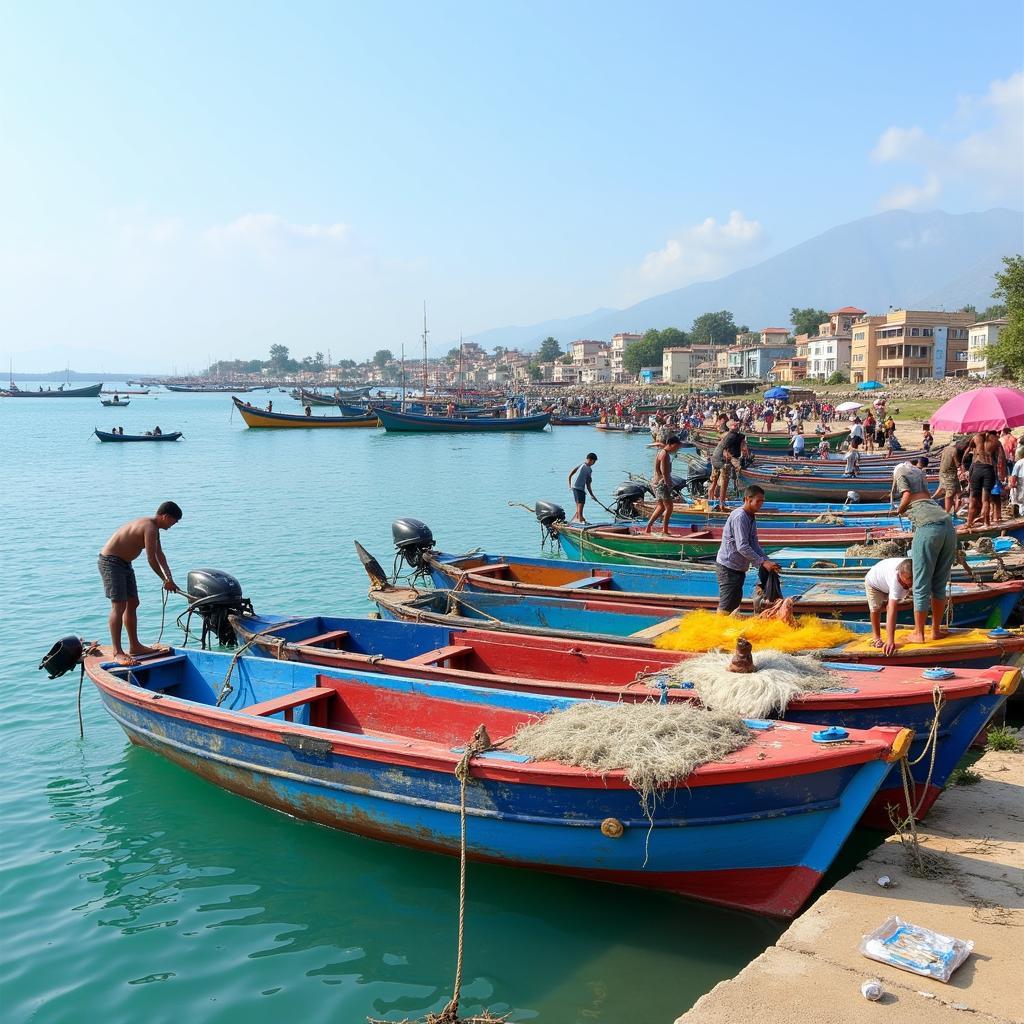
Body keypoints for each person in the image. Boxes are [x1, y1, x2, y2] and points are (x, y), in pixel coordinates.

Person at [98, 502, 183, 666]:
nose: (174, 525)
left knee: (133, 603)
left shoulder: (154, 529)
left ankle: (135, 646)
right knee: (119, 605)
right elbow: (151, 559)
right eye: (174, 521)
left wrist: (170, 578)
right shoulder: (149, 527)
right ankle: (117, 651)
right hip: (111, 562)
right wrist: (165, 581)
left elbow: (160, 555)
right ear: (165, 517)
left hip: (124, 563)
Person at [893, 457, 957, 645]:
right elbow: (926, 496)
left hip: (928, 529)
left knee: (920, 582)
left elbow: (905, 496)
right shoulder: (920, 477)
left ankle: (919, 634)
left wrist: (898, 510)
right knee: (939, 583)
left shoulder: (901, 475)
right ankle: (935, 631)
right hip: (947, 526)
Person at [715, 485, 781, 614]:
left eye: (762, 501)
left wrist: (767, 561)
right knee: (726, 606)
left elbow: (754, 544)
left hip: (739, 567)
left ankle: (727, 629)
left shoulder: (751, 516)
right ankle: (718, 630)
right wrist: (762, 562)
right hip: (729, 566)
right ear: (747, 499)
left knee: (734, 603)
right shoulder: (740, 517)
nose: (760, 504)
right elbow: (743, 546)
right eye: (758, 501)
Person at [864, 557, 914, 656]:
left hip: (886, 582)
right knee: (875, 608)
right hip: (874, 583)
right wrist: (890, 640)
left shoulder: (912, 567)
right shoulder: (894, 580)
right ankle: (876, 636)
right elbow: (892, 610)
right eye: (905, 582)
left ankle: (888, 605)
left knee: (891, 604)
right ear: (900, 575)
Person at [643, 436, 684, 534]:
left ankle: (648, 526)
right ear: (671, 444)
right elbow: (664, 472)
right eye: (676, 447)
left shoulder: (662, 452)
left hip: (657, 483)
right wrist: (669, 485)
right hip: (662, 484)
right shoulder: (665, 454)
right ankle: (665, 530)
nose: (677, 449)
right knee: (669, 507)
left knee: (661, 507)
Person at [568, 453, 598, 523]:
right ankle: (581, 521)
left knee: (578, 507)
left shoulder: (582, 465)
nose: (594, 463)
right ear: (591, 460)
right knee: (580, 507)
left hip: (576, 488)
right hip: (578, 488)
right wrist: (592, 495)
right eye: (594, 461)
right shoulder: (586, 468)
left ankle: (578, 520)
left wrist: (570, 484)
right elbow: (588, 484)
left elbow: (570, 474)